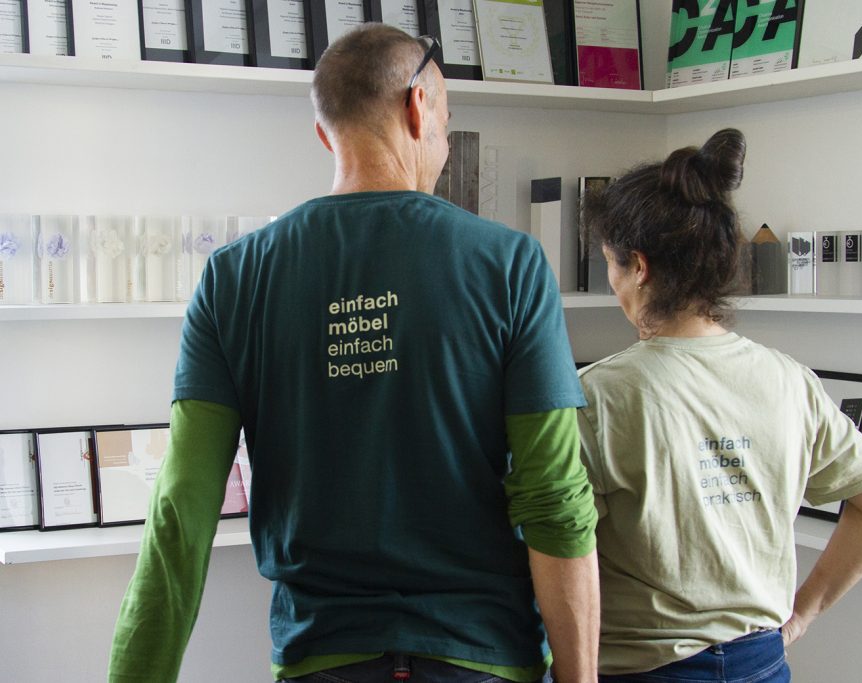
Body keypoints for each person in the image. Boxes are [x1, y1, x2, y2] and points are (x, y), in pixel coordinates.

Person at [108, 24, 599, 683]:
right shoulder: (510, 264)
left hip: (322, 656)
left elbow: (183, 508)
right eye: (447, 123)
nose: (444, 143)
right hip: (483, 654)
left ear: (324, 134)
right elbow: (554, 496)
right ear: (419, 106)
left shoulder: (233, 277)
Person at [575, 128, 862, 682]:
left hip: (645, 669)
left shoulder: (596, 395)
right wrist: (803, 614)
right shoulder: (789, 380)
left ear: (638, 266)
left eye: (612, 263)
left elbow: (559, 549)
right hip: (763, 663)